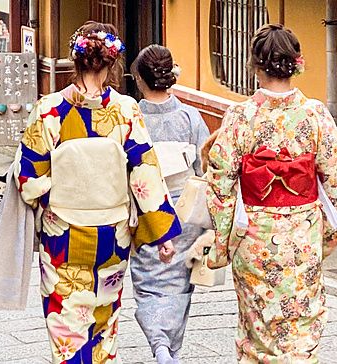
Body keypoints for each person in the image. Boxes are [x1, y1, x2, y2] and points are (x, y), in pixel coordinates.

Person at [203, 24, 337, 362]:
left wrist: (223, 241)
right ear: (296, 64)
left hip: (254, 237)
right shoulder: (314, 114)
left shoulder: (241, 116)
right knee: (302, 319)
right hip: (302, 238)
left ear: (255, 65)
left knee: (257, 324)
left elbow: (219, 183)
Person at [17, 21, 182, 363]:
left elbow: (29, 179)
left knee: (66, 323)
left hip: (63, 233)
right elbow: (145, 174)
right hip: (112, 235)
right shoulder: (125, 110)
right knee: (103, 322)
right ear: (112, 64)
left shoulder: (49, 110)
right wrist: (163, 233)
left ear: (74, 61)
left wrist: (56, 197)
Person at [128, 44, 210, 364]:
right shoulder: (190, 117)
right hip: (185, 211)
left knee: (149, 285)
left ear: (140, 79)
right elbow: (206, 168)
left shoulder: (131, 117)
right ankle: (170, 348)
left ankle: (161, 345)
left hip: (146, 212)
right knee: (179, 286)